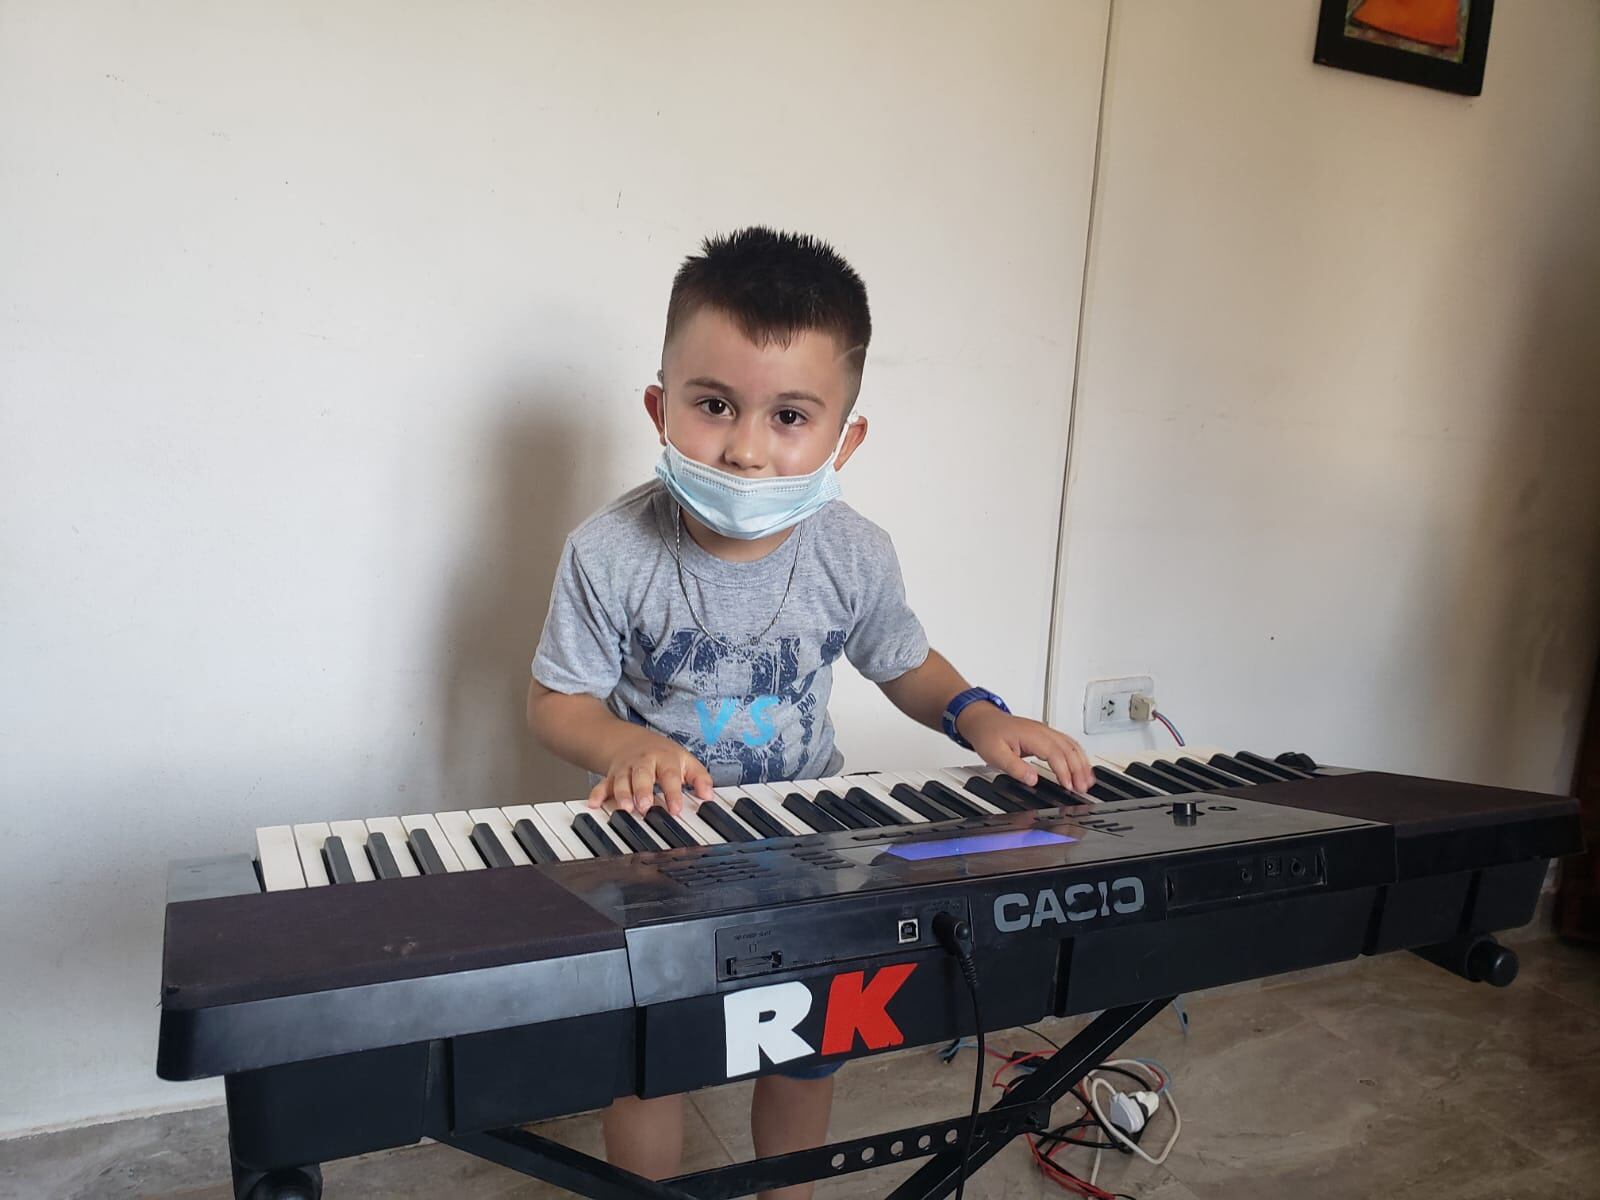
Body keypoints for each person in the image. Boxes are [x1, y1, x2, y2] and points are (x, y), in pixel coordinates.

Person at [526, 226, 1094, 1200]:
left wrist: (975, 714)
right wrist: (623, 742)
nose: (746, 449)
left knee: (805, 1044)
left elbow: (902, 662)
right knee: (653, 1055)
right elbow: (555, 702)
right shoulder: (608, 550)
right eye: (713, 406)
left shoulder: (854, 552)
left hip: (807, 850)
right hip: (652, 853)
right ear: (661, 408)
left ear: (845, 437)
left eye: (789, 414)